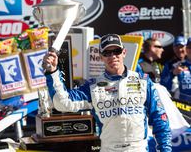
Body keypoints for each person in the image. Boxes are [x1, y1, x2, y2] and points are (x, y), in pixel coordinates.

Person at [42, 34, 172, 152]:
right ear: (101, 57)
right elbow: (62, 103)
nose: (113, 56)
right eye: (107, 53)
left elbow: (160, 118)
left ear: (124, 53)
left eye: (117, 51)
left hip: (138, 148)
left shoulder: (143, 81)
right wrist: (53, 72)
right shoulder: (92, 87)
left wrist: (165, 149)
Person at [170, 38, 191, 103]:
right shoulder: (176, 65)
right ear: (186, 49)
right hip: (184, 107)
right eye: (190, 47)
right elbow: (164, 85)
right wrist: (173, 74)